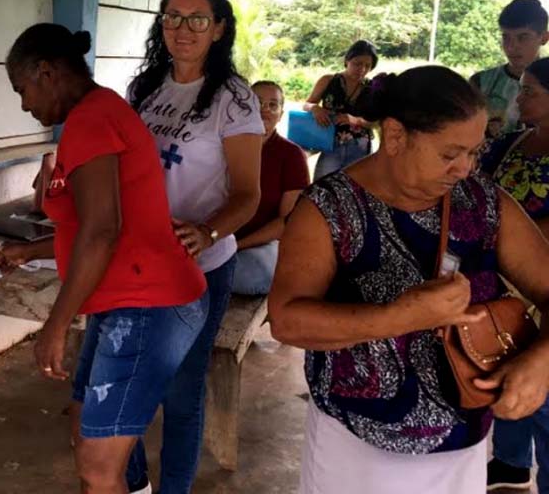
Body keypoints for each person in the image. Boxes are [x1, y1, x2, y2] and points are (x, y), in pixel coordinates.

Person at [269, 66, 549, 494]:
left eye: (474, 152)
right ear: (396, 136)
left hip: (462, 441)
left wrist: (541, 361)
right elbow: (287, 321)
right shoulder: (329, 208)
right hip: (354, 442)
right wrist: (399, 316)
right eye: (449, 154)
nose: (464, 168)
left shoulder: (483, 201)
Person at [0, 23, 209, 494]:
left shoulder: (92, 120)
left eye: (22, 90)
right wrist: (30, 250)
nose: (25, 105)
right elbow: (89, 224)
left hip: (149, 303)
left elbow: (101, 231)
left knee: (97, 466)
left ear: (46, 73)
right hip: (127, 300)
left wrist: (55, 325)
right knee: (87, 432)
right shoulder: (97, 112)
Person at [125, 0, 263, 493]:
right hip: (139, 258)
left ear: (219, 28)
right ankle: (134, 483)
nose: (183, 29)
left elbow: (247, 195)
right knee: (128, 380)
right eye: (173, 17)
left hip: (200, 267)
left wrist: (206, 232)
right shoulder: (144, 88)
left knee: (182, 392)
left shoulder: (233, 97)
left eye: (197, 19)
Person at [480, 56, 549, 492]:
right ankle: (509, 460)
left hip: (540, 281)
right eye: (520, 89)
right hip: (505, 285)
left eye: (531, 92)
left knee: (543, 384)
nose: (519, 98)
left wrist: (515, 246)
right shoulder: (511, 142)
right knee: (505, 362)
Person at [233, 80, 310, 295]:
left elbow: (287, 221)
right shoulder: (226, 145)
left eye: (273, 105)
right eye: (257, 102)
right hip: (217, 237)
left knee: (255, 275)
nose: (264, 111)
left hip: (261, 245)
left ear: (281, 114)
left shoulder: (291, 155)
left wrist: (237, 246)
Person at [471, 0, 549, 139]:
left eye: (523, 37)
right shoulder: (481, 83)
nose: (512, 46)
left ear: (544, 38)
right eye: (506, 37)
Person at [303, 40, 378, 179]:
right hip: (329, 144)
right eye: (357, 63)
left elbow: (378, 122)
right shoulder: (328, 80)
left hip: (360, 149)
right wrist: (315, 108)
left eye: (367, 65)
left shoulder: (372, 88)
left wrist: (356, 121)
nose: (362, 69)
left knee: (354, 193)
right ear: (347, 60)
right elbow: (307, 104)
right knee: (323, 189)